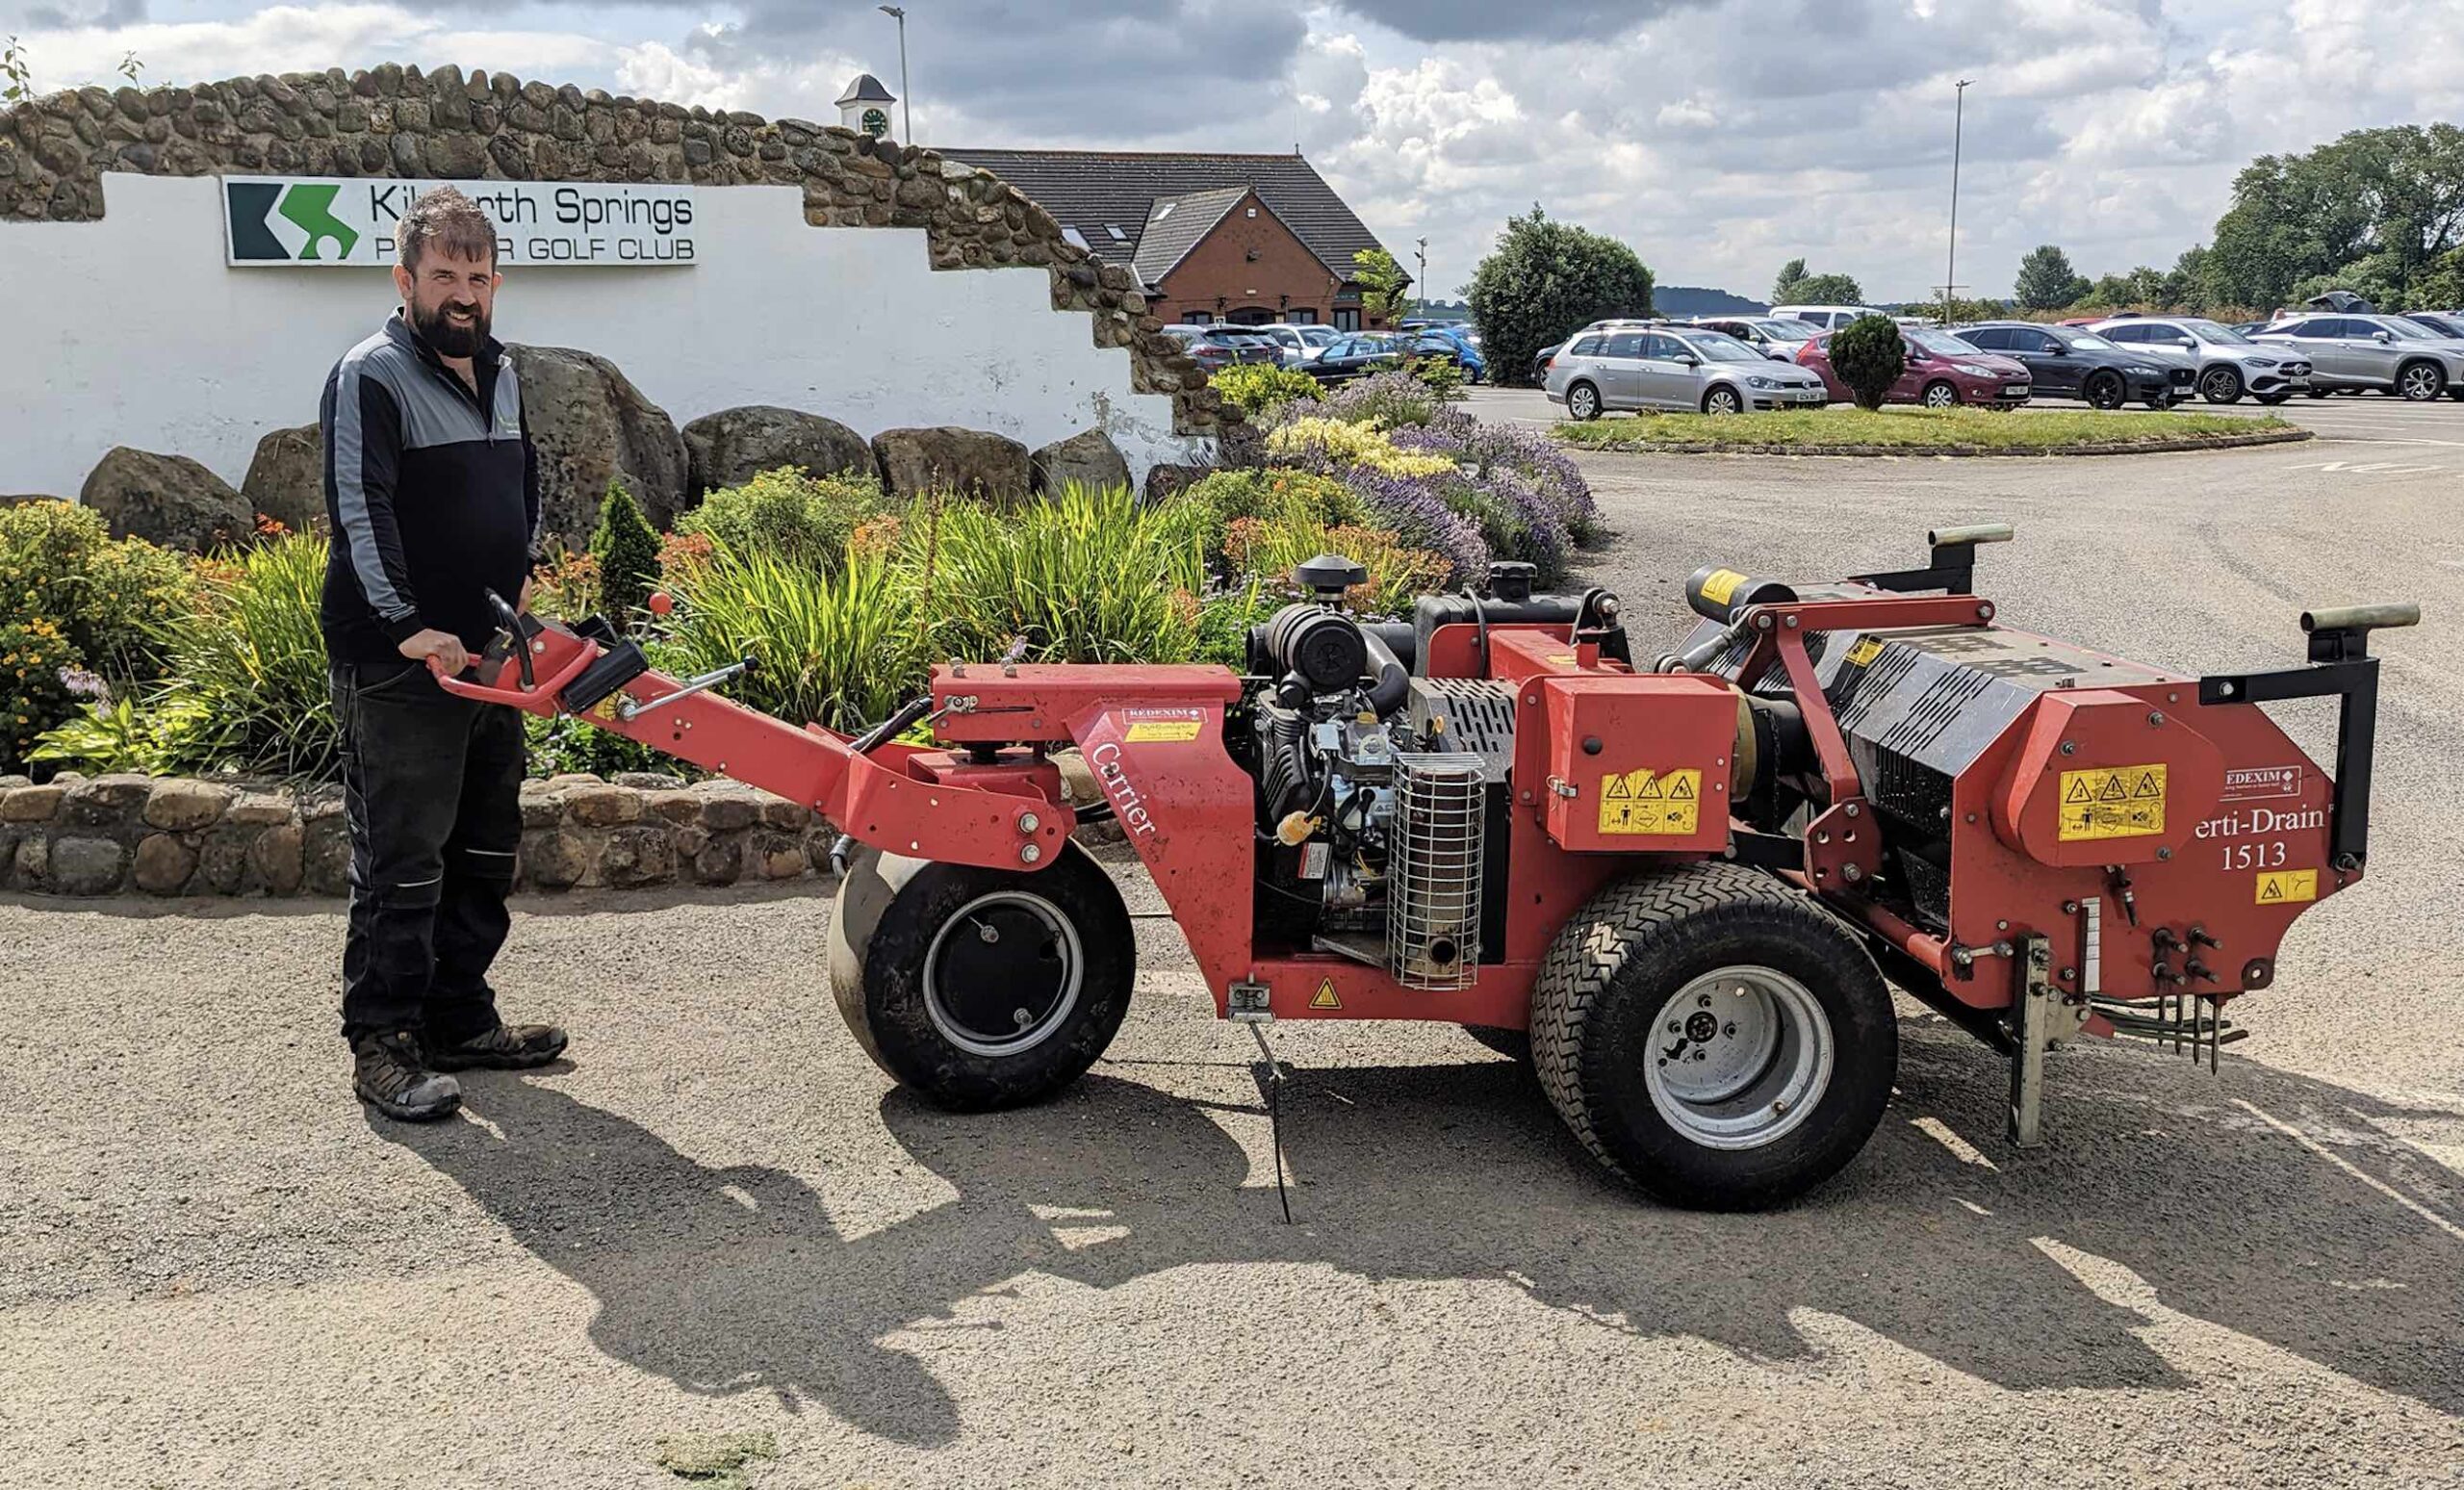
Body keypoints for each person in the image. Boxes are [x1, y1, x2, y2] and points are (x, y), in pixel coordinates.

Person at [321, 186, 566, 1122]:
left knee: (485, 847)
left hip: (487, 657)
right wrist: (404, 624)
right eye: (443, 276)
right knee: (404, 858)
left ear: (494, 282)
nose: (462, 294)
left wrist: (522, 581)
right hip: (402, 662)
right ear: (406, 279)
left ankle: (460, 1015)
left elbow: (523, 482)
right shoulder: (370, 375)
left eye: (477, 276)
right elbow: (358, 506)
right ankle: (383, 1040)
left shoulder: (499, 372)